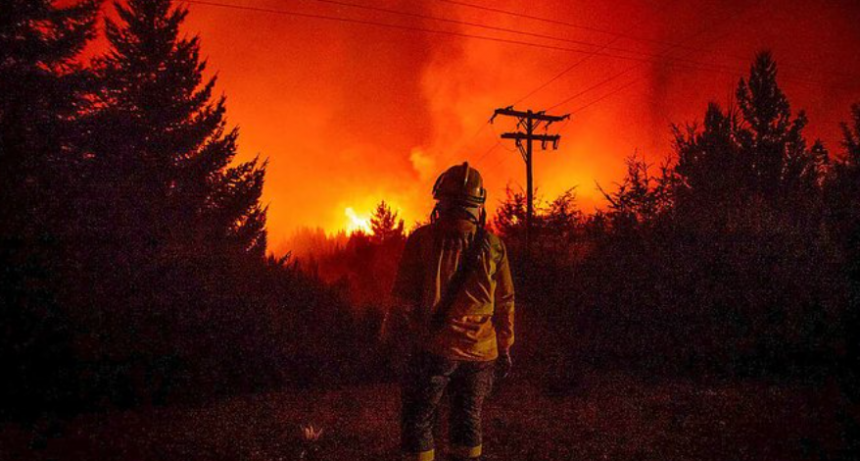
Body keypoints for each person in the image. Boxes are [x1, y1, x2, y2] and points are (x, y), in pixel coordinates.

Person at [385, 162, 515, 461]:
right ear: (478, 204)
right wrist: (505, 347)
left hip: (435, 348)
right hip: (483, 352)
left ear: (441, 201)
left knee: (419, 418)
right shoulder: (494, 246)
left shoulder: (422, 240)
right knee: (467, 420)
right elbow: (506, 302)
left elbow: (402, 298)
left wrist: (391, 336)